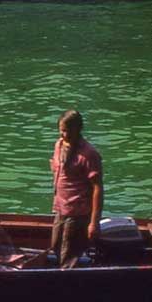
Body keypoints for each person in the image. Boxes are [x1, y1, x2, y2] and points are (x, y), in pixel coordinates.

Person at [48, 110, 103, 269]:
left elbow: (98, 188)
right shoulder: (58, 145)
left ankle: (68, 286)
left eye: (67, 130)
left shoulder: (89, 154)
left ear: (78, 129)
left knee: (69, 257)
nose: (63, 134)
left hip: (78, 212)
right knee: (56, 247)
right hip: (60, 208)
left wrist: (94, 222)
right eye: (61, 129)